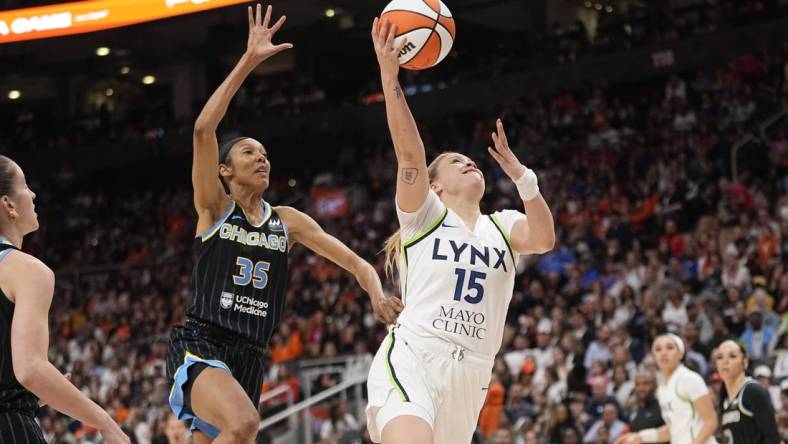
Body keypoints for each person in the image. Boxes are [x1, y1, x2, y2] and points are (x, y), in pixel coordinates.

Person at [165, 5, 402, 443]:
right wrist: (249, 61)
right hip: (204, 343)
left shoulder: (287, 222)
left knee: (233, 432)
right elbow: (203, 130)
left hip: (251, 357)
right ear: (225, 171)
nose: (262, 157)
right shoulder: (215, 209)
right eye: (249, 152)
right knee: (244, 425)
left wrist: (377, 293)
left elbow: (355, 263)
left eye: (265, 154)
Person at [365, 17, 555, 444]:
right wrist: (390, 78)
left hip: (472, 373)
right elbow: (410, 156)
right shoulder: (424, 216)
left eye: (471, 160)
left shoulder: (502, 227)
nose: (469, 162)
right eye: (455, 161)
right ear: (435, 186)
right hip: (416, 353)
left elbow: (544, 238)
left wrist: (524, 179)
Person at [0, 156, 129, 443]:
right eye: (25, 185)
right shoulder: (26, 269)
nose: (32, 194)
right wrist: (104, 422)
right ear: (8, 204)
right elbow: (31, 369)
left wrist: (26, 395)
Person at [615, 333, 718, 444]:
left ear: (680, 354)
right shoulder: (662, 389)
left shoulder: (689, 378)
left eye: (670, 348)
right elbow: (673, 429)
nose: (663, 353)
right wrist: (640, 437)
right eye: (658, 349)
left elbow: (711, 422)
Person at [714, 340, 780, 443]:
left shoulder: (753, 392)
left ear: (745, 362)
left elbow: (772, 439)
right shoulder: (724, 400)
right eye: (720, 357)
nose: (725, 361)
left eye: (732, 356)